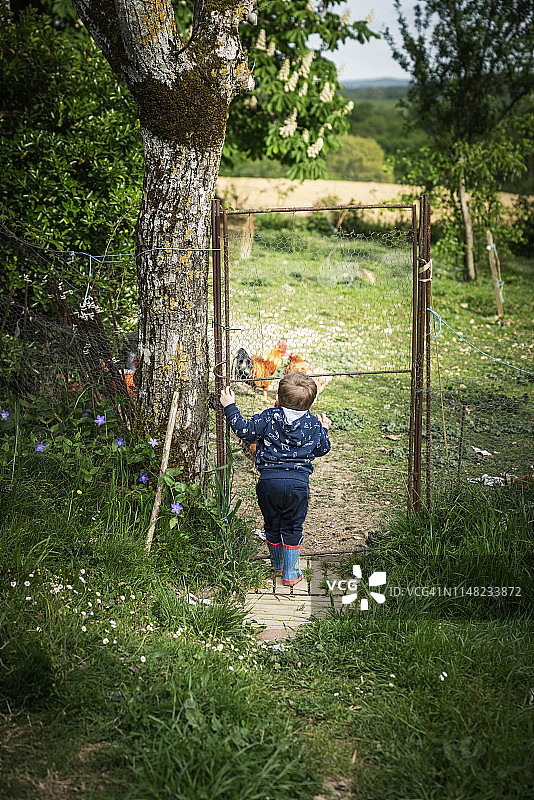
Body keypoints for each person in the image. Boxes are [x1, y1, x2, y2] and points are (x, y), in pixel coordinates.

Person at [219, 371, 331, 586]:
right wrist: (324, 429)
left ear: (277, 398)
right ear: (312, 402)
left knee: (272, 524)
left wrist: (230, 406)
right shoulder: (314, 425)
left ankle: (276, 564)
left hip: (268, 483)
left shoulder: (269, 416)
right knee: (292, 526)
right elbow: (322, 449)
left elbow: (245, 431)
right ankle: (290, 573)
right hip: (298, 485)